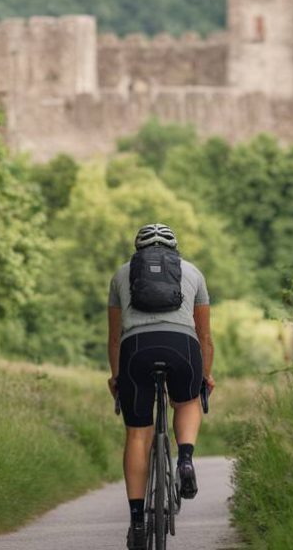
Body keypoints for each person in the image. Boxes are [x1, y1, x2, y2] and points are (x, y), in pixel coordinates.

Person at [107, 223, 215, 550]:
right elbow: (205, 337)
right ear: (174, 248)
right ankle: (184, 459)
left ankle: (138, 521)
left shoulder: (122, 274)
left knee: (138, 434)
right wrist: (205, 377)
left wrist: (116, 378)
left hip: (135, 350)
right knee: (186, 401)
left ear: (138, 248)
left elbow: (114, 338)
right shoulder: (193, 272)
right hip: (182, 348)